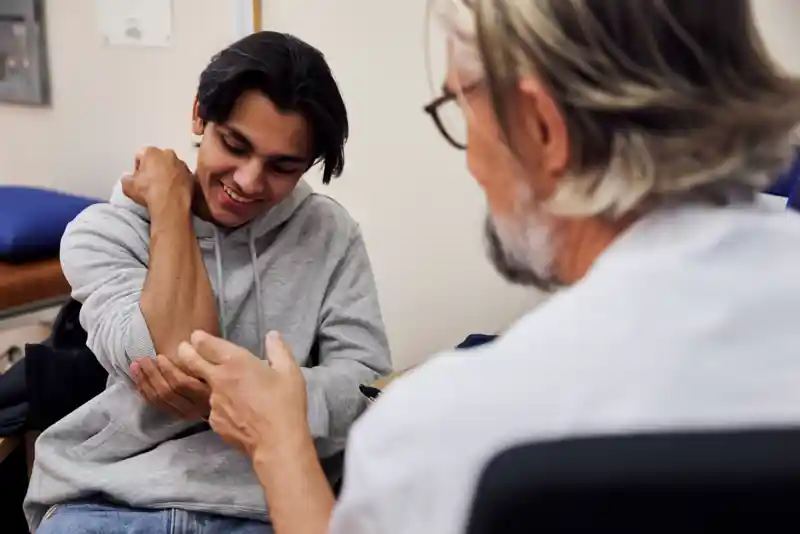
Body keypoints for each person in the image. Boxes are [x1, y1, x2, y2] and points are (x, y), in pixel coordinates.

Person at [163, 1, 800, 533]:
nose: (471, 160)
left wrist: (279, 445)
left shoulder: (445, 429)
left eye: (461, 111)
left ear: (541, 127)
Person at [25, 31, 392, 533]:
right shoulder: (103, 232)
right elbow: (172, 351)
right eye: (235, 146)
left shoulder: (330, 234)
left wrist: (264, 397)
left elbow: (368, 387)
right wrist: (170, 206)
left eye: (282, 167)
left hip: (266, 506)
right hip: (110, 499)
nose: (248, 181)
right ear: (200, 115)